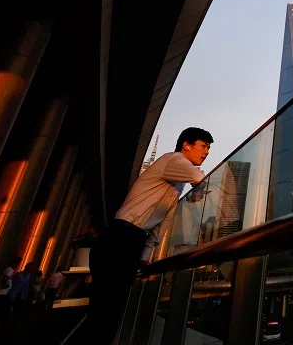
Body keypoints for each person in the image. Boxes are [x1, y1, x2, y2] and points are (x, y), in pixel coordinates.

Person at [86, 127, 211, 344]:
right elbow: (198, 176)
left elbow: (165, 221)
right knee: (105, 308)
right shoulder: (173, 159)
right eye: (204, 146)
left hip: (132, 240)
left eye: (209, 148)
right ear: (186, 145)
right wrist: (198, 188)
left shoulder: (177, 184)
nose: (207, 152)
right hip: (120, 236)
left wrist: (146, 251)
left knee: (111, 309)